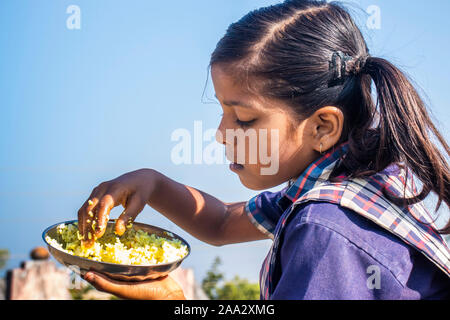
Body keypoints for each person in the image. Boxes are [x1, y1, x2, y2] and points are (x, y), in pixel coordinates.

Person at [78, 0, 450, 300]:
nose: (221, 134)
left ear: (322, 127)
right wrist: (153, 183)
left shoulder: (327, 229)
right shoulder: (348, 186)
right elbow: (221, 221)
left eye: (243, 119)